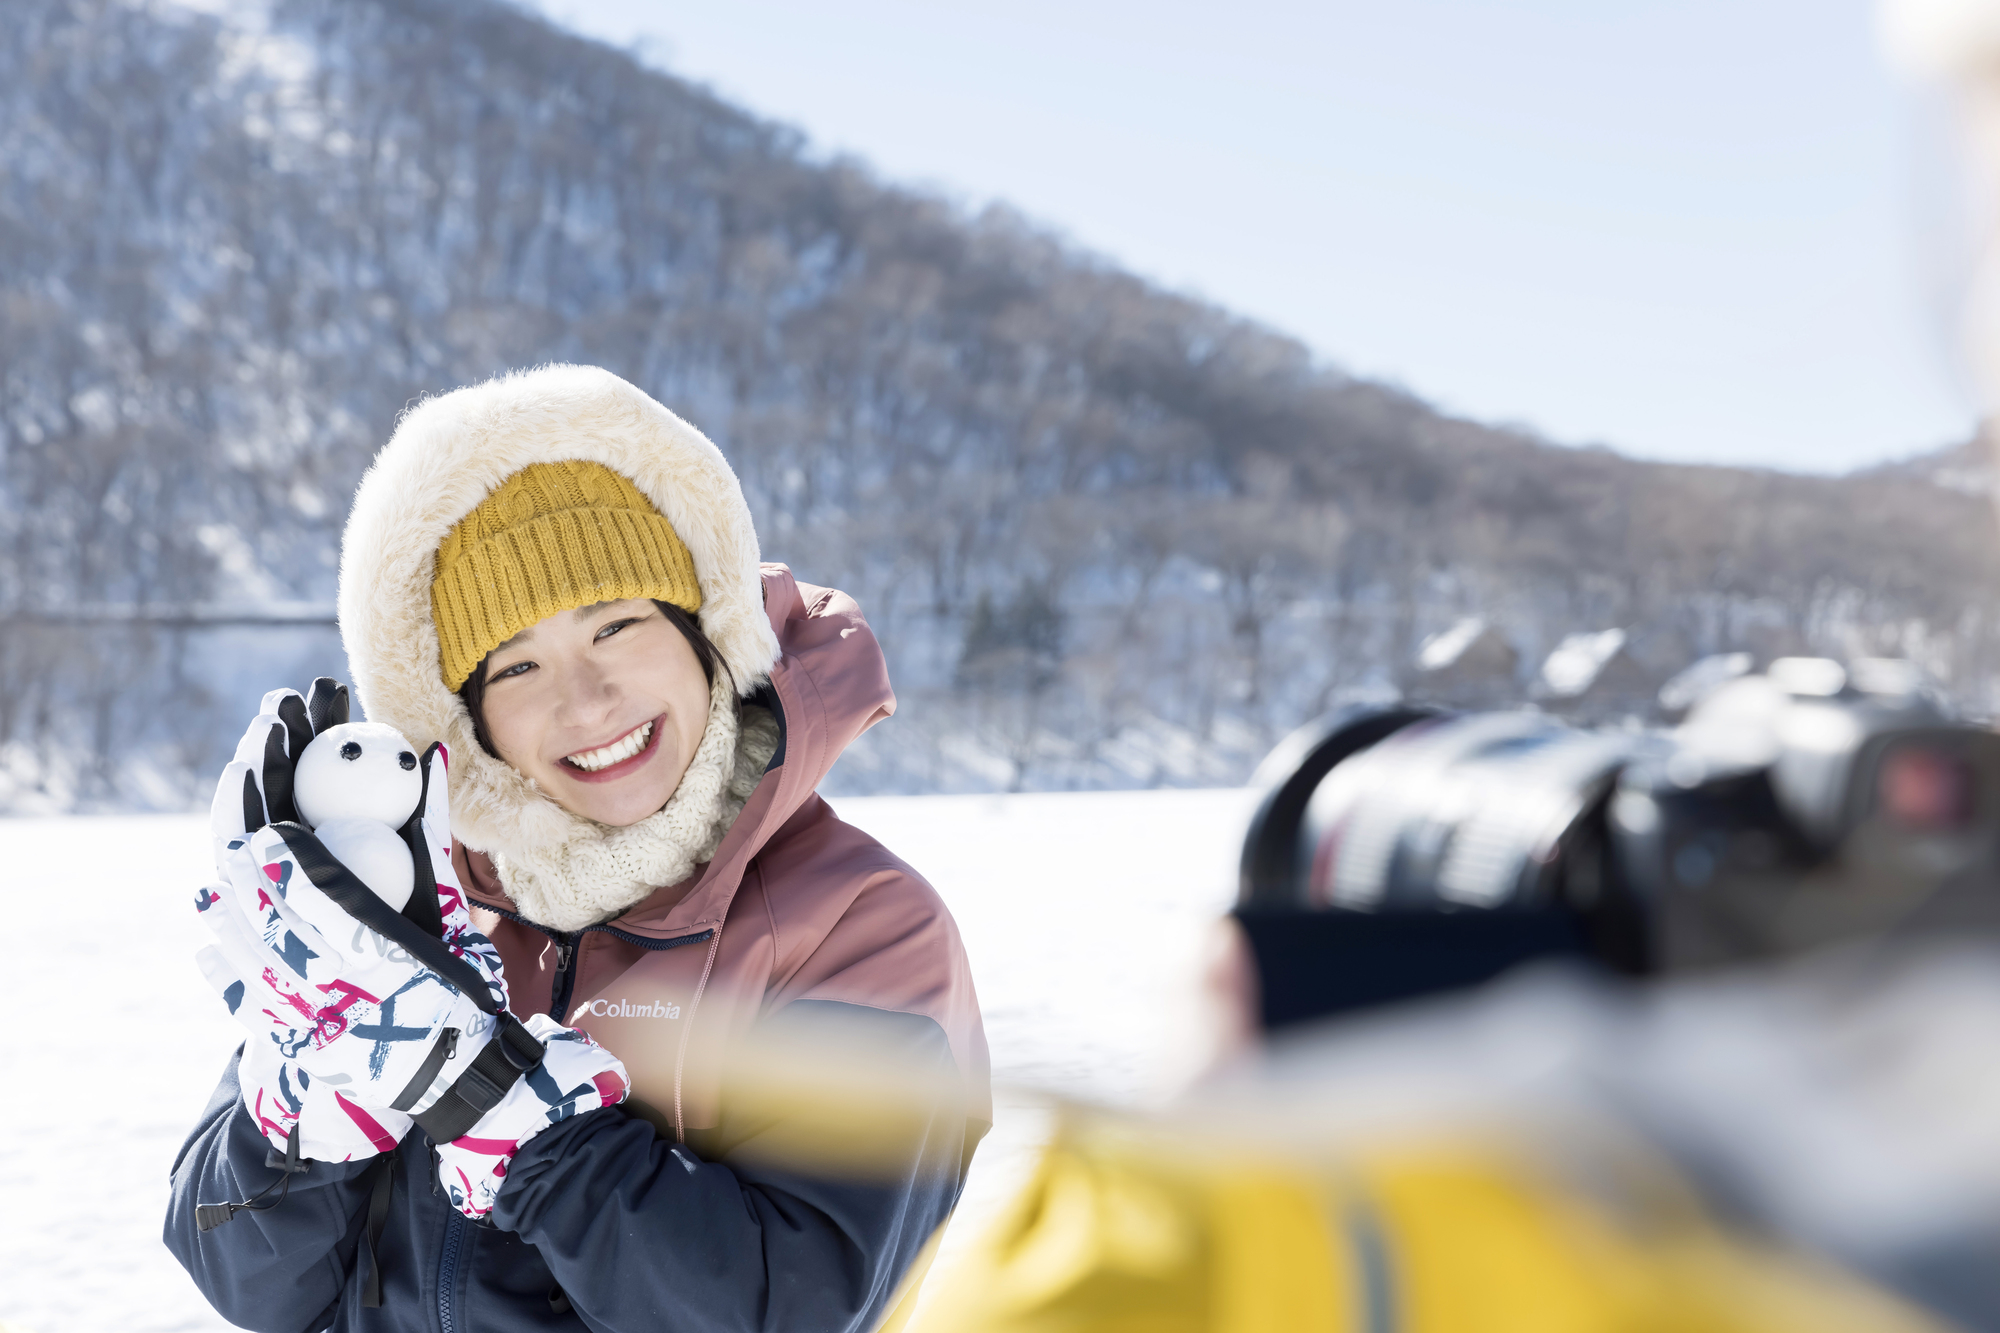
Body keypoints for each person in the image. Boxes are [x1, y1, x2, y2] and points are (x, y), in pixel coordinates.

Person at [164, 364, 990, 1332]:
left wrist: (501, 1107)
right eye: (515, 665)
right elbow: (240, 1274)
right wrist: (299, 1105)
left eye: (618, 624)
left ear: (706, 635)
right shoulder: (414, 909)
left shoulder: (858, 926)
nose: (585, 701)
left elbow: (790, 1308)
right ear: (469, 720)